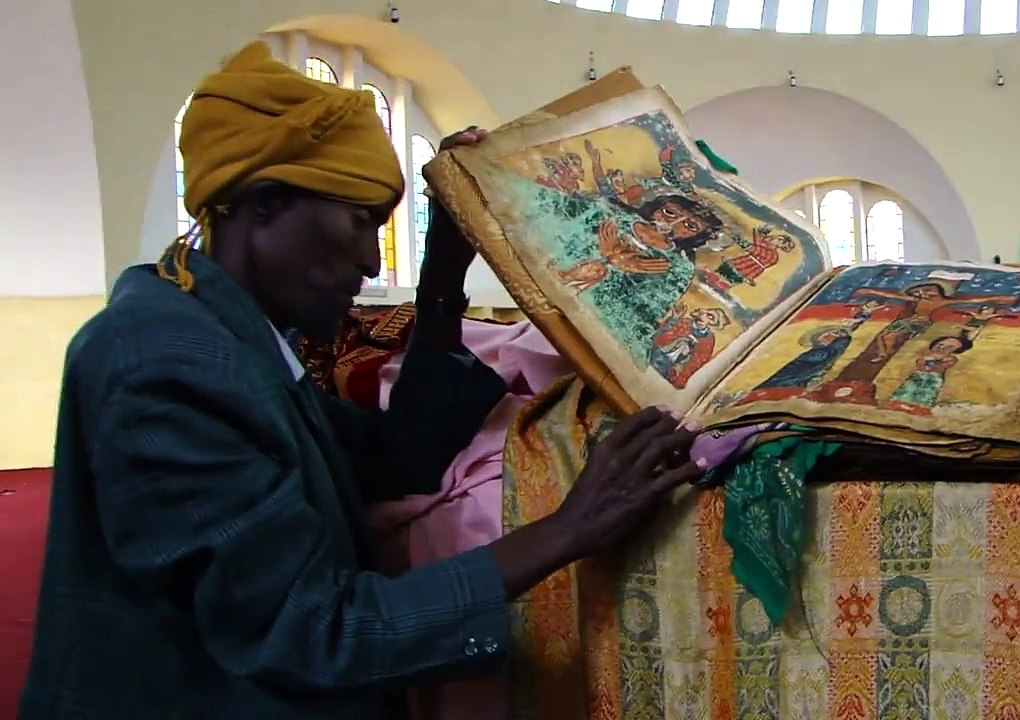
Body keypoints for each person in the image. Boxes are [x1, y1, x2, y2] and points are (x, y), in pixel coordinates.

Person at [19, 42, 706, 719]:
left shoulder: (230, 335)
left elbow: (396, 458)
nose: (371, 264)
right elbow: (314, 633)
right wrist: (567, 530)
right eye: (359, 223)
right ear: (262, 206)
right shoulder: (166, 360)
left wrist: (444, 266)